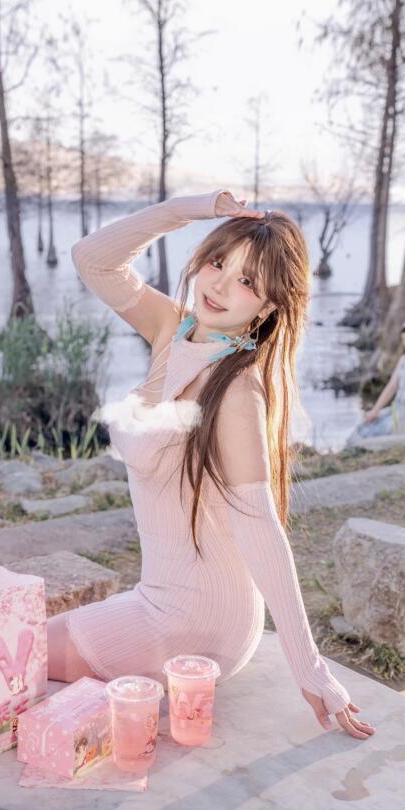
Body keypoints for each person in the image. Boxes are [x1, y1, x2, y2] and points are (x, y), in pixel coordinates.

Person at [46, 188, 376, 741]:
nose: (220, 286)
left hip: (196, 621)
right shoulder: (171, 329)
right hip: (163, 597)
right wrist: (192, 209)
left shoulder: (237, 392)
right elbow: (92, 258)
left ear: (267, 308)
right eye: (218, 262)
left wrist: (311, 669)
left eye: (247, 281)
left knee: (11, 657)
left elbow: (261, 529)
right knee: (9, 658)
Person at [345, 323, 405, 446]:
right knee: (364, 427)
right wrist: (375, 410)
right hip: (397, 410)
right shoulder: (403, 360)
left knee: (378, 436)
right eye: (403, 339)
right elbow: (391, 387)